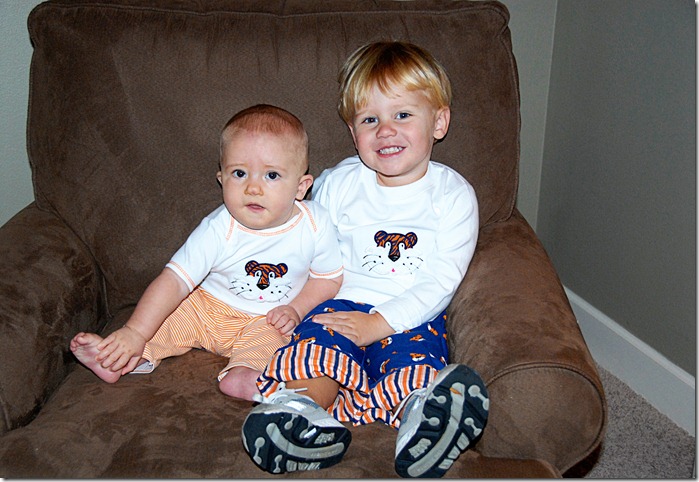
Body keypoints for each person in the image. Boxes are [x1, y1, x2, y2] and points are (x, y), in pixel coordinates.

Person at [241, 42, 489, 478]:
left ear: (440, 121)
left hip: (409, 314)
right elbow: (308, 248)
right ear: (353, 132)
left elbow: (441, 281)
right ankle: (298, 417)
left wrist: (382, 323)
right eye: (369, 119)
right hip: (338, 304)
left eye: (403, 115)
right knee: (319, 353)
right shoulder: (339, 184)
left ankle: (423, 426)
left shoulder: (452, 196)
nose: (386, 130)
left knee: (414, 367)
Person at [70, 104, 344, 401]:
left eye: (272, 176)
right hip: (205, 308)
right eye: (239, 173)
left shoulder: (315, 224)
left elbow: (327, 279)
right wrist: (135, 332)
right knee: (167, 322)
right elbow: (174, 281)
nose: (253, 188)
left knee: (272, 343)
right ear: (221, 178)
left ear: (301, 187)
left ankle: (242, 375)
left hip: (264, 319)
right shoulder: (218, 228)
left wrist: (296, 309)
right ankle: (120, 359)